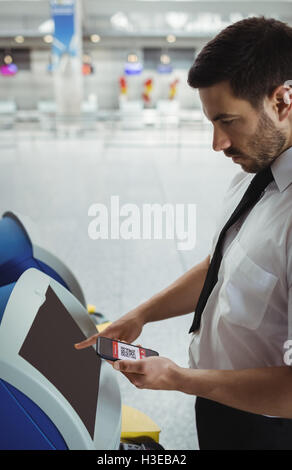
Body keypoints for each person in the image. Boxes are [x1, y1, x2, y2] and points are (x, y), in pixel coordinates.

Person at [75, 17, 292, 450]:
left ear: (282, 101)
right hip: (214, 397)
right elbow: (222, 267)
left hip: (268, 425)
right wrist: (141, 314)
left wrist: (177, 378)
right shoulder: (256, 171)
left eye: (228, 121)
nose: (217, 143)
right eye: (212, 122)